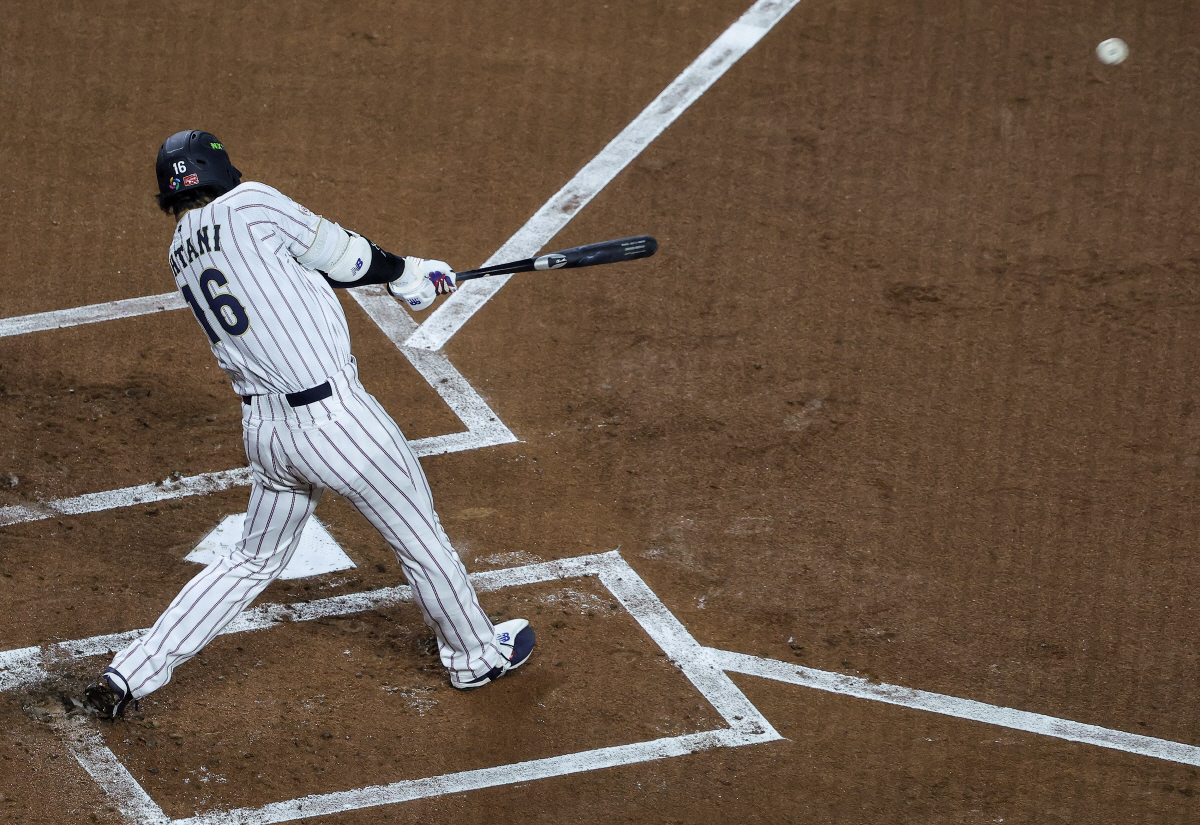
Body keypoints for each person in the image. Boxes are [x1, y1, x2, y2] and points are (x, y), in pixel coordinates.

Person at [82, 130, 534, 719]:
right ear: (221, 169)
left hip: (266, 435)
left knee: (251, 559)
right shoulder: (252, 203)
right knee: (423, 544)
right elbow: (344, 255)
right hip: (337, 423)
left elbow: (301, 275)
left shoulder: (181, 251)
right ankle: (476, 656)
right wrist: (408, 272)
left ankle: (129, 674)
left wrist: (400, 277)